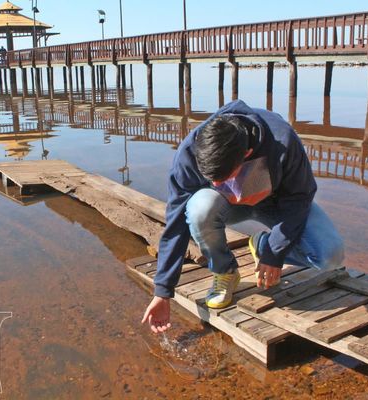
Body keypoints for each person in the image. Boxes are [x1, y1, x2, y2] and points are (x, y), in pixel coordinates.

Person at [141, 100, 344, 334]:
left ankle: (262, 243)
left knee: (330, 256)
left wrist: (275, 251)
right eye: (212, 178)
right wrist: (163, 291)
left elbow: (301, 196)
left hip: (279, 204)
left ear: (246, 154)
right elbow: (175, 224)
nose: (216, 184)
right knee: (198, 208)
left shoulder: (282, 140)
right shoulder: (189, 153)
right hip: (227, 206)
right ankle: (224, 271)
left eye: (224, 177)